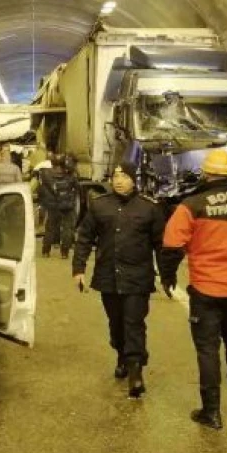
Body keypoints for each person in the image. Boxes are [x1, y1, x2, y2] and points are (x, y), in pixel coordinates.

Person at [160, 149, 227, 429]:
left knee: (207, 349)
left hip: (207, 288)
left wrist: (167, 278)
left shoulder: (192, 205)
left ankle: (211, 412)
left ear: (205, 173)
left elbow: (172, 246)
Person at [73, 164, 169, 398]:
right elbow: (84, 237)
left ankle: (136, 373)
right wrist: (79, 269)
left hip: (137, 278)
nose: (119, 180)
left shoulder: (149, 209)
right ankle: (121, 355)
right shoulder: (99, 205)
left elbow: (161, 245)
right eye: (116, 176)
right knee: (116, 324)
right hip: (108, 277)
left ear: (134, 180)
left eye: (124, 176)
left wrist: (167, 276)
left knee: (134, 323)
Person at [40, 155, 80, 258]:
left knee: (50, 228)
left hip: (53, 205)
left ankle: (46, 251)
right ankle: (64, 253)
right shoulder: (70, 175)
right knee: (67, 228)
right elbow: (77, 187)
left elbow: (44, 190)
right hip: (67, 205)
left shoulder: (47, 174)